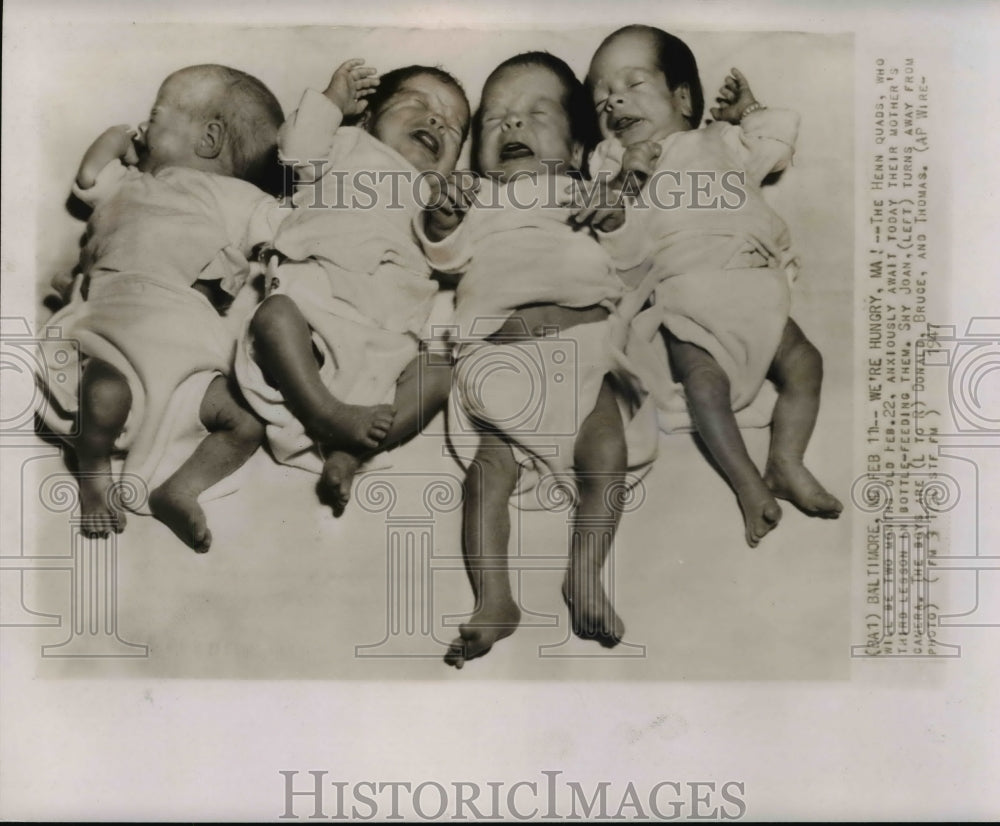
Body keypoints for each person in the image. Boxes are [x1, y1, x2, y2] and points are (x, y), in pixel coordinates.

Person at [416, 52, 657, 667]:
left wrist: (619, 215)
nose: (512, 127)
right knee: (487, 473)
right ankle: (494, 597)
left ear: (577, 147)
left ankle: (584, 574)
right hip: (501, 363)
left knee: (606, 452)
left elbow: (634, 261)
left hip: (584, 351)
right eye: (494, 120)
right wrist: (440, 222)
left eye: (534, 115)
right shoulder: (480, 202)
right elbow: (445, 257)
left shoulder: (585, 192)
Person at [579, 26, 842, 547]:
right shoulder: (613, 161)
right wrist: (628, 177)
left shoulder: (719, 140)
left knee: (805, 362)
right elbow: (612, 229)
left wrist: (747, 111)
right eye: (602, 96)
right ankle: (747, 484)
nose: (614, 100)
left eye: (633, 83)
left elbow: (776, 144)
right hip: (684, 292)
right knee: (705, 384)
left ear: (682, 98)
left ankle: (786, 461)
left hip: (754, 281)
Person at [38, 65, 287, 552]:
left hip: (186, 346)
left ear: (210, 137)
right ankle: (93, 472)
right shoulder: (130, 183)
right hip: (112, 327)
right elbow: (89, 177)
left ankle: (181, 489)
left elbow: (291, 231)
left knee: (247, 420)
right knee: (105, 392)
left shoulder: (243, 199)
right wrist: (113, 139)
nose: (142, 128)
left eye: (153, 116)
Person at [236, 59, 470, 515]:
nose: (437, 120)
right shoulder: (348, 146)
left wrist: (445, 225)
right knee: (272, 314)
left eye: (454, 127)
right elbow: (296, 151)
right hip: (312, 307)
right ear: (367, 118)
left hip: (384, 335)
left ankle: (350, 451)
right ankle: (325, 412)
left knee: (438, 374)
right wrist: (331, 102)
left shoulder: (437, 193)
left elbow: (454, 262)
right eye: (415, 104)